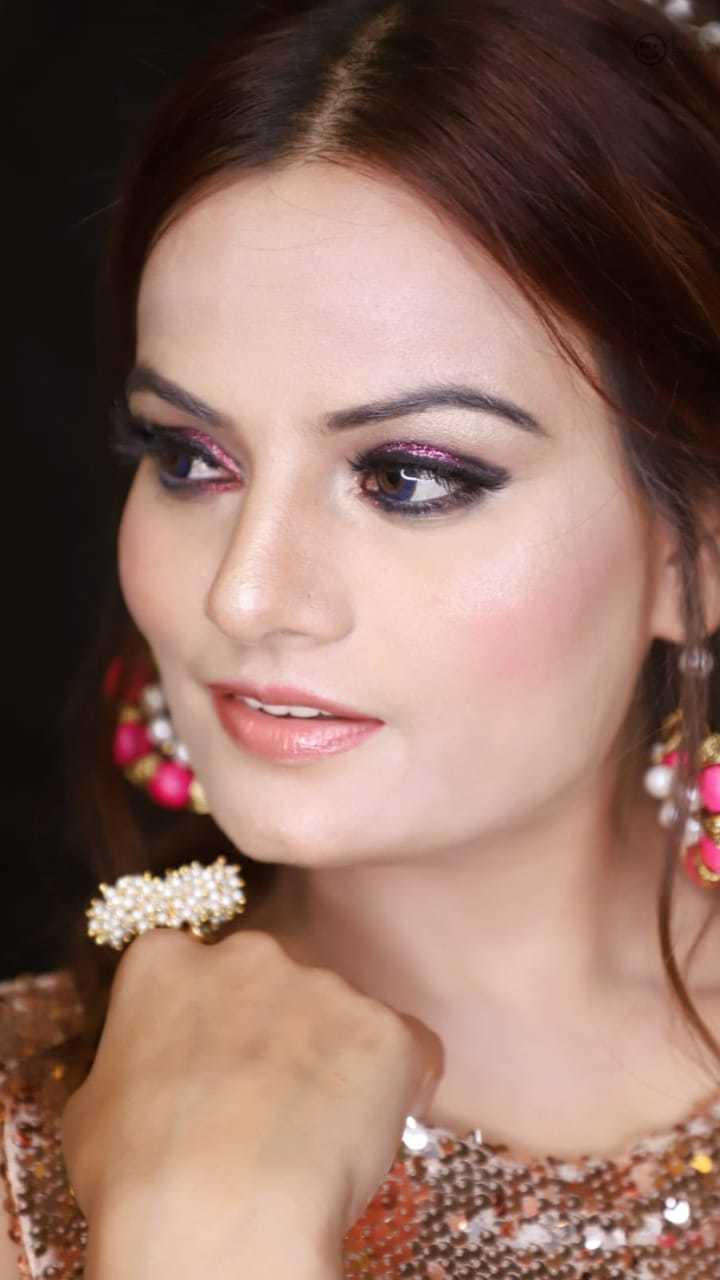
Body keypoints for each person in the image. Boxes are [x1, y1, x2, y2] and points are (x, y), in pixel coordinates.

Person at [2, 0, 720, 1275]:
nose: (243, 594)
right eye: (190, 456)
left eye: (409, 476)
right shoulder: (28, 1124)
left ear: (694, 549)